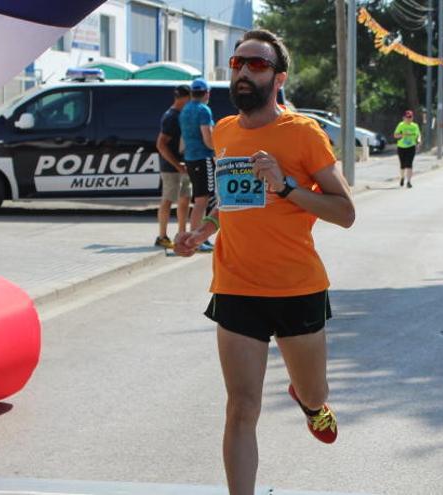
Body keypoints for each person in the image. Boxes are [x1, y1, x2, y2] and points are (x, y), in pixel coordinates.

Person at [173, 29, 355, 495]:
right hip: (236, 287)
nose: (244, 72)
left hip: (297, 289)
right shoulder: (226, 131)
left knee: (316, 392)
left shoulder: (303, 133)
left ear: (278, 77)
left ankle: (310, 403)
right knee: (241, 407)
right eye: (238, 63)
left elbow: (345, 212)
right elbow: (231, 203)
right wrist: (202, 230)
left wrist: (287, 187)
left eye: (256, 64)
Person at [179, 78, 216, 252]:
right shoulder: (203, 110)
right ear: (207, 93)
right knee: (203, 199)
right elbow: (208, 138)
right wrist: (217, 151)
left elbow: (183, 140)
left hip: (190, 157)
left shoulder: (185, 110)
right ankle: (198, 237)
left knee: (198, 198)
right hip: (203, 157)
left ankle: (196, 235)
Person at [154, 84, 192, 249]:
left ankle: (181, 233)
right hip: (171, 167)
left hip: (183, 165)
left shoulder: (181, 114)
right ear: (184, 98)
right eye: (189, 98)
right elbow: (161, 144)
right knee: (168, 200)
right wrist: (176, 165)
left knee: (185, 199)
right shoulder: (171, 116)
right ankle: (162, 236)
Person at [393, 110, 421, 188]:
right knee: (402, 165)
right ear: (404, 118)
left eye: (410, 117)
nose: (409, 119)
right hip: (401, 147)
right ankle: (402, 177)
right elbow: (395, 135)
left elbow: (418, 135)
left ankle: (409, 182)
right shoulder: (401, 125)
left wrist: (418, 142)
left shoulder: (415, 126)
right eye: (407, 117)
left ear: (412, 118)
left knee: (409, 164)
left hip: (411, 147)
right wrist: (402, 135)